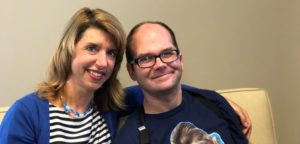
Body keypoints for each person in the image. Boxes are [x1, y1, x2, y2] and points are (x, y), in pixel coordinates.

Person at [0, 7, 126, 143]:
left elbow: (146, 90)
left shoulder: (111, 107)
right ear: (69, 51)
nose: (103, 63)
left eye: (111, 53)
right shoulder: (25, 113)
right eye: (92, 49)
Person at [113, 21, 249, 143]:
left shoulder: (215, 103)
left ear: (180, 60)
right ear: (131, 71)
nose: (160, 65)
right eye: (146, 58)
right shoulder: (130, 138)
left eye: (167, 53)